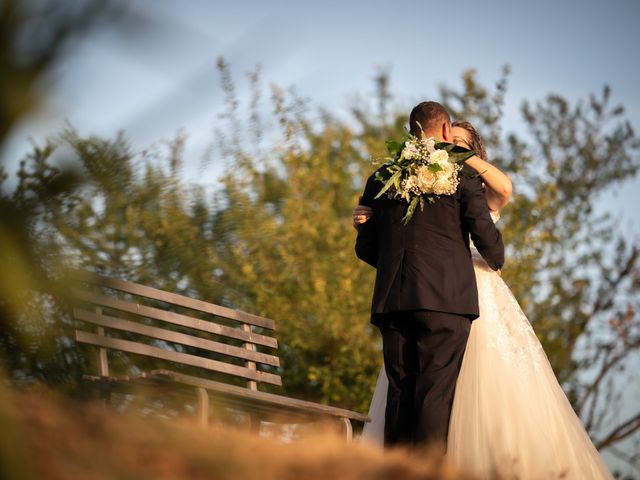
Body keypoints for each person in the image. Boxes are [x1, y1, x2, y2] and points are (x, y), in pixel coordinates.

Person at [355, 120, 613, 479]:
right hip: (437, 292)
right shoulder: (427, 184)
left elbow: (504, 190)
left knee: (471, 390)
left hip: (474, 291)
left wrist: (460, 158)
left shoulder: (474, 183)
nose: (450, 149)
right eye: (449, 141)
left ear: (473, 150)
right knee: (421, 386)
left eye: (461, 144)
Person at [355, 101, 505, 451]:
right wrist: (497, 256)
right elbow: (486, 239)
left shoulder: (380, 177)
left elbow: (366, 248)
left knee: (400, 393)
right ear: (443, 131)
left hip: (393, 301)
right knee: (433, 396)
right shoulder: (461, 176)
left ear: (412, 132)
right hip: (446, 301)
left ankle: (395, 474)